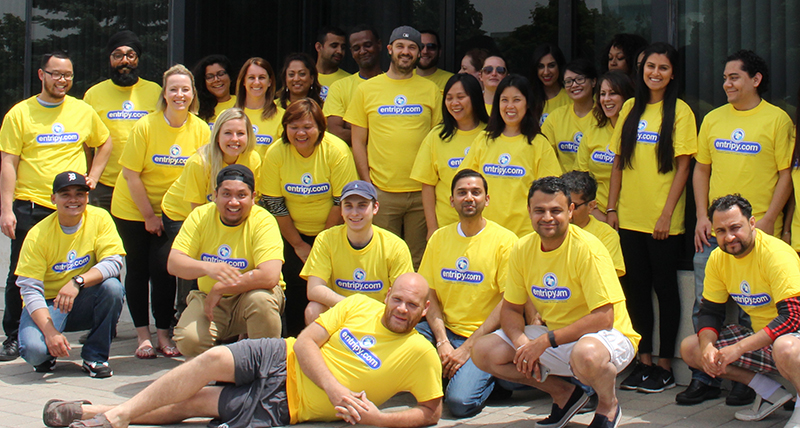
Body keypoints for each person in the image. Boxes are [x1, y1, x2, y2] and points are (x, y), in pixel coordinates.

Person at [46, 273, 442, 428]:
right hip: (279, 355)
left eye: (412, 305)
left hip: (289, 403)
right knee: (213, 358)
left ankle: (90, 412)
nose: (402, 309)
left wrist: (379, 420)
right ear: (388, 295)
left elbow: (431, 412)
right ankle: (118, 419)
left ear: (424, 310)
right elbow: (305, 341)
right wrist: (337, 391)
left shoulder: (419, 353)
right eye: (398, 299)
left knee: (195, 404)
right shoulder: (358, 304)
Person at [472, 176, 640, 428]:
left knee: (587, 356)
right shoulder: (522, 249)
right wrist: (522, 346)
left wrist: (543, 342)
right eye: (539, 210)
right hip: (556, 336)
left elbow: (604, 318)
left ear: (571, 211)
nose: (547, 217)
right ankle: (564, 394)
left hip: (607, 336)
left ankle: (608, 405)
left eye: (556, 210)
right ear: (529, 211)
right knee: (482, 351)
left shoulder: (588, 249)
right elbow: (511, 309)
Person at [680, 50, 793, 406]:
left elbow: (786, 174)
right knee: (706, 307)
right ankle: (705, 375)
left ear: (755, 80)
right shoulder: (713, 119)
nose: (726, 83)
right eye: (725, 78)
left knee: (752, 307)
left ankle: (749, 385)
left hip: (756, 231)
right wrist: (701, 215)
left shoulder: (777, 120)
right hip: (716, 230)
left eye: (734, 77)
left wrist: (772, 219)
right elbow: (701, 169)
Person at [0, 51, 112, 361]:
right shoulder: (20, 114)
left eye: (67, 75)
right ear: (41, 74)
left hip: (74, 203)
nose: (61, 80)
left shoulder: (82, 111)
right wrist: (6, 208)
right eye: (55, 74)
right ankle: (14, 334)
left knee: (84, 268)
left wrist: (93, 177)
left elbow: (104, 142)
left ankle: (87, 328)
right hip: (33, 204)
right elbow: (9, 162)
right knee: (19, 274)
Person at [606, 42, 697, 393]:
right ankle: (642, 361)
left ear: (672, 73)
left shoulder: (682, 112)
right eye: (649, 67)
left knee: (665, 291)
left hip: (662, 223)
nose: (654, 73)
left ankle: (664, 365)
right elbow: (617, 163)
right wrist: (612, 209)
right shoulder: (630, 107)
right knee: (637, 291)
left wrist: (666, 214)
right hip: (628, 218)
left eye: (662, 68)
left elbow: (683, 167)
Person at [111, 64, 210, 360]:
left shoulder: (201, 128)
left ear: (193, 94)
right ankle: (143, 335)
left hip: (174, 212)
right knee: (139, 271)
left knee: (165, 270)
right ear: (164, 94)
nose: (180, 95)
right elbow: (131, 175)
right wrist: (149, 216)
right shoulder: (145, 125)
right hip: (134, 208)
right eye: (173, 89)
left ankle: (164, 332)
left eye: (185, 89)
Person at [680, 195, 800, 424]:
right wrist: (707, 348)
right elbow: (710, 312)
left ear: (752, 223)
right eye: (721, 231)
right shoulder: (717, 259)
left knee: (786, 347)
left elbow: (792, 317)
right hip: (764, 340)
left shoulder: (777, 255)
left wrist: (738, 349)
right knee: (691, 348)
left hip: (793, 339)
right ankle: (770, 394)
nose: (729, 237)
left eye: (736, 228)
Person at [416, 168, 518, 417]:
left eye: (476, 192)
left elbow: (508, 302)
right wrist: (442, 341)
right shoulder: (439, 238)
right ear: (451, 201)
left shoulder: (506, 241)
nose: (469, 198)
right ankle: (460, 372)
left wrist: (467, 348)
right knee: (403, 333)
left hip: (487, 337)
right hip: (446, 331)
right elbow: (429, 294)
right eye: (461, 193)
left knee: (460, 403)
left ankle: (493, 377)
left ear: (487, 199)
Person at [345, 25, 442, 268]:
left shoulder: (431, 90)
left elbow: (438, 140)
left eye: (412, 48)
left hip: (422, 193)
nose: (406, 52)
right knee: (382, 258)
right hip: (382, 191)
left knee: (419, 259)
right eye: (400, 46)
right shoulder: (366, 90)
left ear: (419, 53)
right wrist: (367, 181)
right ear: (389, 49)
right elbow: (358, 141)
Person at [260, 99, 358, 336]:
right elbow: (274, 203)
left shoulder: (336, 150)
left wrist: (321, 241)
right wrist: (298, 244)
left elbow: (340, 200)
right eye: (293, 127)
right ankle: (294, 343)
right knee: (295, 286)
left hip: (332, 230)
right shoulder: (276, 153)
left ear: (320, 128)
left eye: (307, 127)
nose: (300, 133)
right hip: (291, 232)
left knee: (328, 287)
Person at [169, 165, 285, 358]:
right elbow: (174, 263)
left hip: (250, 295)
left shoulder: (263, 220)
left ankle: (265, 372)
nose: (233, 202)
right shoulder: (200, 216)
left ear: (253, 198)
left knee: (261, 301)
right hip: (210, 300)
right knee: (189, 340)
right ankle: (219, 370)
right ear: (215, 195)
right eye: (226, 194)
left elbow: (269, 275)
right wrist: (208, 268)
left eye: (241, 195)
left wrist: (221, 287)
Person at [17, 171, 124, 378]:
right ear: (53, 199)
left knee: (113, 288)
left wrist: (77, 282)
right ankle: (49, 353)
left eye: (80, 193)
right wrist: (51, 334)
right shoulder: (37, 235)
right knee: (34, 352)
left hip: (81, 297)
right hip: (48, 303)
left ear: (87, 197)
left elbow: (114, 262)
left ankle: (95, 356)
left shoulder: (100, 217)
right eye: (65, 194)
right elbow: (30, 290)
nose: (73, 199)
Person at [160, 108, 261, 318]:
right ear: (217, 136)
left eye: (240, 133)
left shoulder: (253, 159)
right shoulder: (199, 162)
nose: (235, 139)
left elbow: (251, 202)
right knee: (194, 257)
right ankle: (183, 313)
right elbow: (196, 211)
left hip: (223, 210)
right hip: (182, 213)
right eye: (228, 133)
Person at [461, 74, 561, 238]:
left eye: (516, 100)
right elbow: (465, 183)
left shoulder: (539, 144)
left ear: (527, 103)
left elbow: (550, 194)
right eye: (504, 100)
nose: (510, 106)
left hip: (524, 236)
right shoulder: (483, 140)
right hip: (485, 234)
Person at [300, 180, 413, 323]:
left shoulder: (395, 246)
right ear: (341, 209)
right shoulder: (326, 239)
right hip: (340, 310)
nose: (354, 213)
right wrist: (353, 307)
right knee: (313, 309)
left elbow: (402, 297)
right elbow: (314, 289)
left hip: (379, 315)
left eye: (362, 206)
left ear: (375, 207)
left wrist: (368, 311)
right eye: (348, 206)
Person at [84, 30, 161, 211]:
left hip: (144, 184)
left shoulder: (155, 92)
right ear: (109, 59)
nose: (124, 61)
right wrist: (88, 177)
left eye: (130, 55)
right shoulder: (93, 94)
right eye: (117, 55)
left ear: (138, 58)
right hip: (103, 185)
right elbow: (86, 145)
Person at [411, 73, 488, 234]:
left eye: (461, 97)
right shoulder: (436, 136)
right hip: (446, 226)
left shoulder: (491, 134)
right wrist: (432, 227)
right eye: (449, 98)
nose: (454, 103)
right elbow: (427, 185)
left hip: (485, 228)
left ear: (474, 97)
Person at [574, 71, 634, 221]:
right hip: (595, 214)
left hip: (631, 218)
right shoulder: (592, 132)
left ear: (626, 97)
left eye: (612, 93)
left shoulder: (638, 133)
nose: (606, 99)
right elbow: (579, 181)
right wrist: (599, 215)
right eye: (602, 94)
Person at [323, 24, 383, 145]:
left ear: (379, 45)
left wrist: (354, 127)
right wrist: (381, 132)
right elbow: (336, 132)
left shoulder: (394, 83)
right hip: (350, 163)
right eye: (356, 48)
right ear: (351, 52)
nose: (362, 51)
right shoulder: (339, 87)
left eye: (367, 45)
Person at [561, 171, 625, 277]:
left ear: (591, 206)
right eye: (561, 205)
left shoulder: (606, 236)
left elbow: (605, 278)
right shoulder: (547, 230)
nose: (566, 211)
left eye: (573, 206)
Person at [541, 58, 598, 172]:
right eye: (568, 81)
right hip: (562, 186)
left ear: (593, 82)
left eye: (580, 79)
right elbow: (543, 155)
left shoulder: (604, 117)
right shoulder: (555, 117)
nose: (574, 85)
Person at [234, 57, 284, 159]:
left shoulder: (282, 117)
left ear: (269, 82)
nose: (256, 82)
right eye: (251, 77)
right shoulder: (228, 116)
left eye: (261, 77)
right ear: (243, 81)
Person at [532, 43, 570, 124]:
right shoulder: (529, 99)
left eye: (551, 66)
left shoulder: (571, 97)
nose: (546, 72)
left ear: (559, 66)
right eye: (541, 66)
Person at [192, 54, 236, 126]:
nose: (216, 80)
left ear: (230, 76)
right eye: (210, 77)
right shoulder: (197, 107)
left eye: (220, 74)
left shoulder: (242, 103)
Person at [314, 26, 350, 101]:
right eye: (334, 46)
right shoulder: (303, 78)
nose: (339, 51)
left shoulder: (350, 81)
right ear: (318, 47)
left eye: (343, 47)